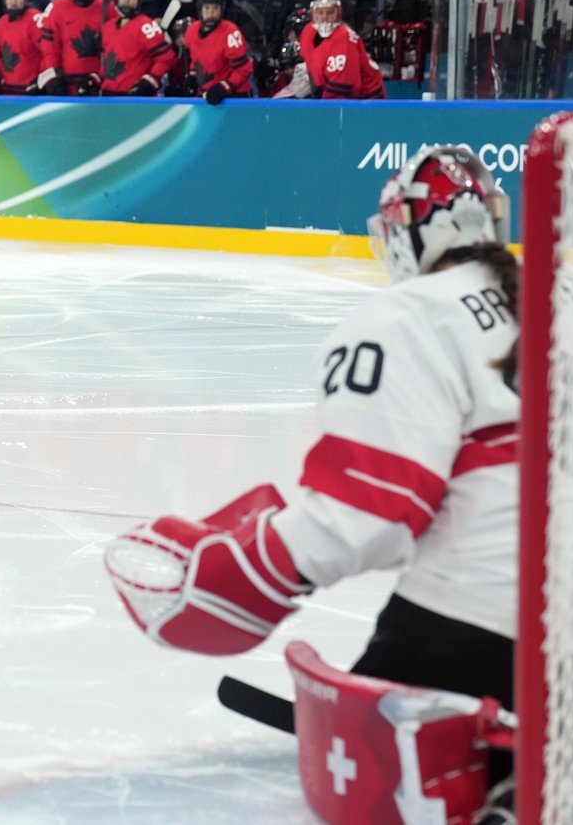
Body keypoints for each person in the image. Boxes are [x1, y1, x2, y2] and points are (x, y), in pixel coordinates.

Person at [105, 144, 518, 813]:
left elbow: (372, 513)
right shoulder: (555, 297)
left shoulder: (409, 316)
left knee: (373, 744)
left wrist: (254, 565)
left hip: (488, 624)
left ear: (410, 230)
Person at [37, 0, 111, 96]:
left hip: (97, 83)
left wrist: (99, 77)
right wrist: (52, 75)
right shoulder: (56, 8)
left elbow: (114, 48)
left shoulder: (108, 7)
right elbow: (49, 47)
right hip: (65, 82)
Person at [301, 0, 386, 99]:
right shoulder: (308, 33)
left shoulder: (344, 39)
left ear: (337, 14)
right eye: (320, 12)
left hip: (366, 100)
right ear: (313, 14)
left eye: (330, 12)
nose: (325, 17)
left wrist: (323, 110)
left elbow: (345, 87)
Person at [99, 0, 175, 96]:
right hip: (108, 94)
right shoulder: (108, 27)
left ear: (139, 1)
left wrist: (150, 80)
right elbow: (109, 60)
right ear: (117, 0)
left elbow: (166, 58)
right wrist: (97, 78)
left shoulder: (146, 26)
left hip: (135, 96)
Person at [181, 0, 253, 103]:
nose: (211, 13)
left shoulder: (231, 32)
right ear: (200, 9)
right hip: (206, 94)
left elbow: (243, 69)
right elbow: (196, 60)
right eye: (207, 8)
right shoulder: (191, 30)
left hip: (235, 95)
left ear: (221, 10)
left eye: (215, 8)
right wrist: (192, 77)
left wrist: (224, 87)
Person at [0, 0, 42, 94]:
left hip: (30, 90)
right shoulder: (2, 22)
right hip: (7, 90)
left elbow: (47, 52)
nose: (13, 2)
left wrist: (42, 78)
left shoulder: (35, 19)